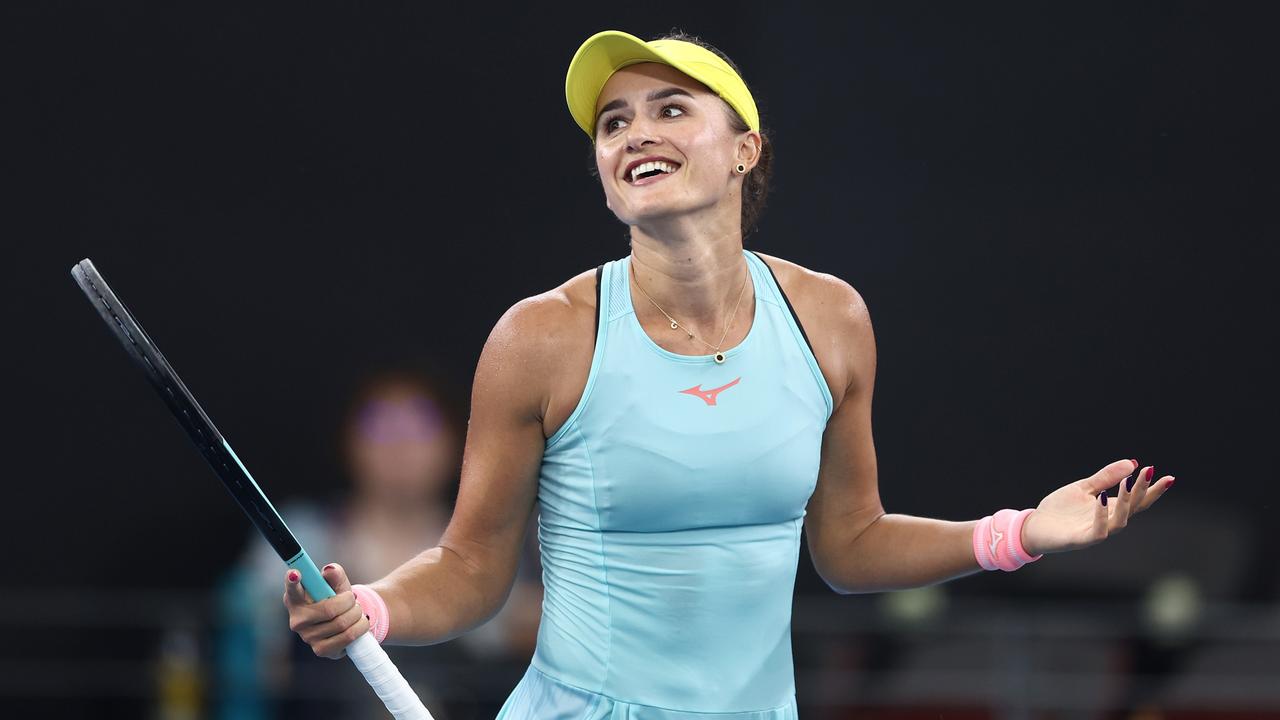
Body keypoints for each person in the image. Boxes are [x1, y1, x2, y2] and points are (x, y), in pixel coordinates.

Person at [281, 30, 1176, 718]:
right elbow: (472, 568)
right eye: (613, 122)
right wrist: (375, 609)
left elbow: (850, 544)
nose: (636, 132)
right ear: (604, 177)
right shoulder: (541, 338)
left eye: (672, 109)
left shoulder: (831, 319)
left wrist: (1021, 532)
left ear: (744, 150)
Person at [217, 370, 540, 718]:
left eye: (419, 427)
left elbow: (513, 627)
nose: (400, 446)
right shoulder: (306, 533)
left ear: (454, 442)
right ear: (352, 442)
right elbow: (245, 625)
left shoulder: (489, 542)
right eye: (381, 428)